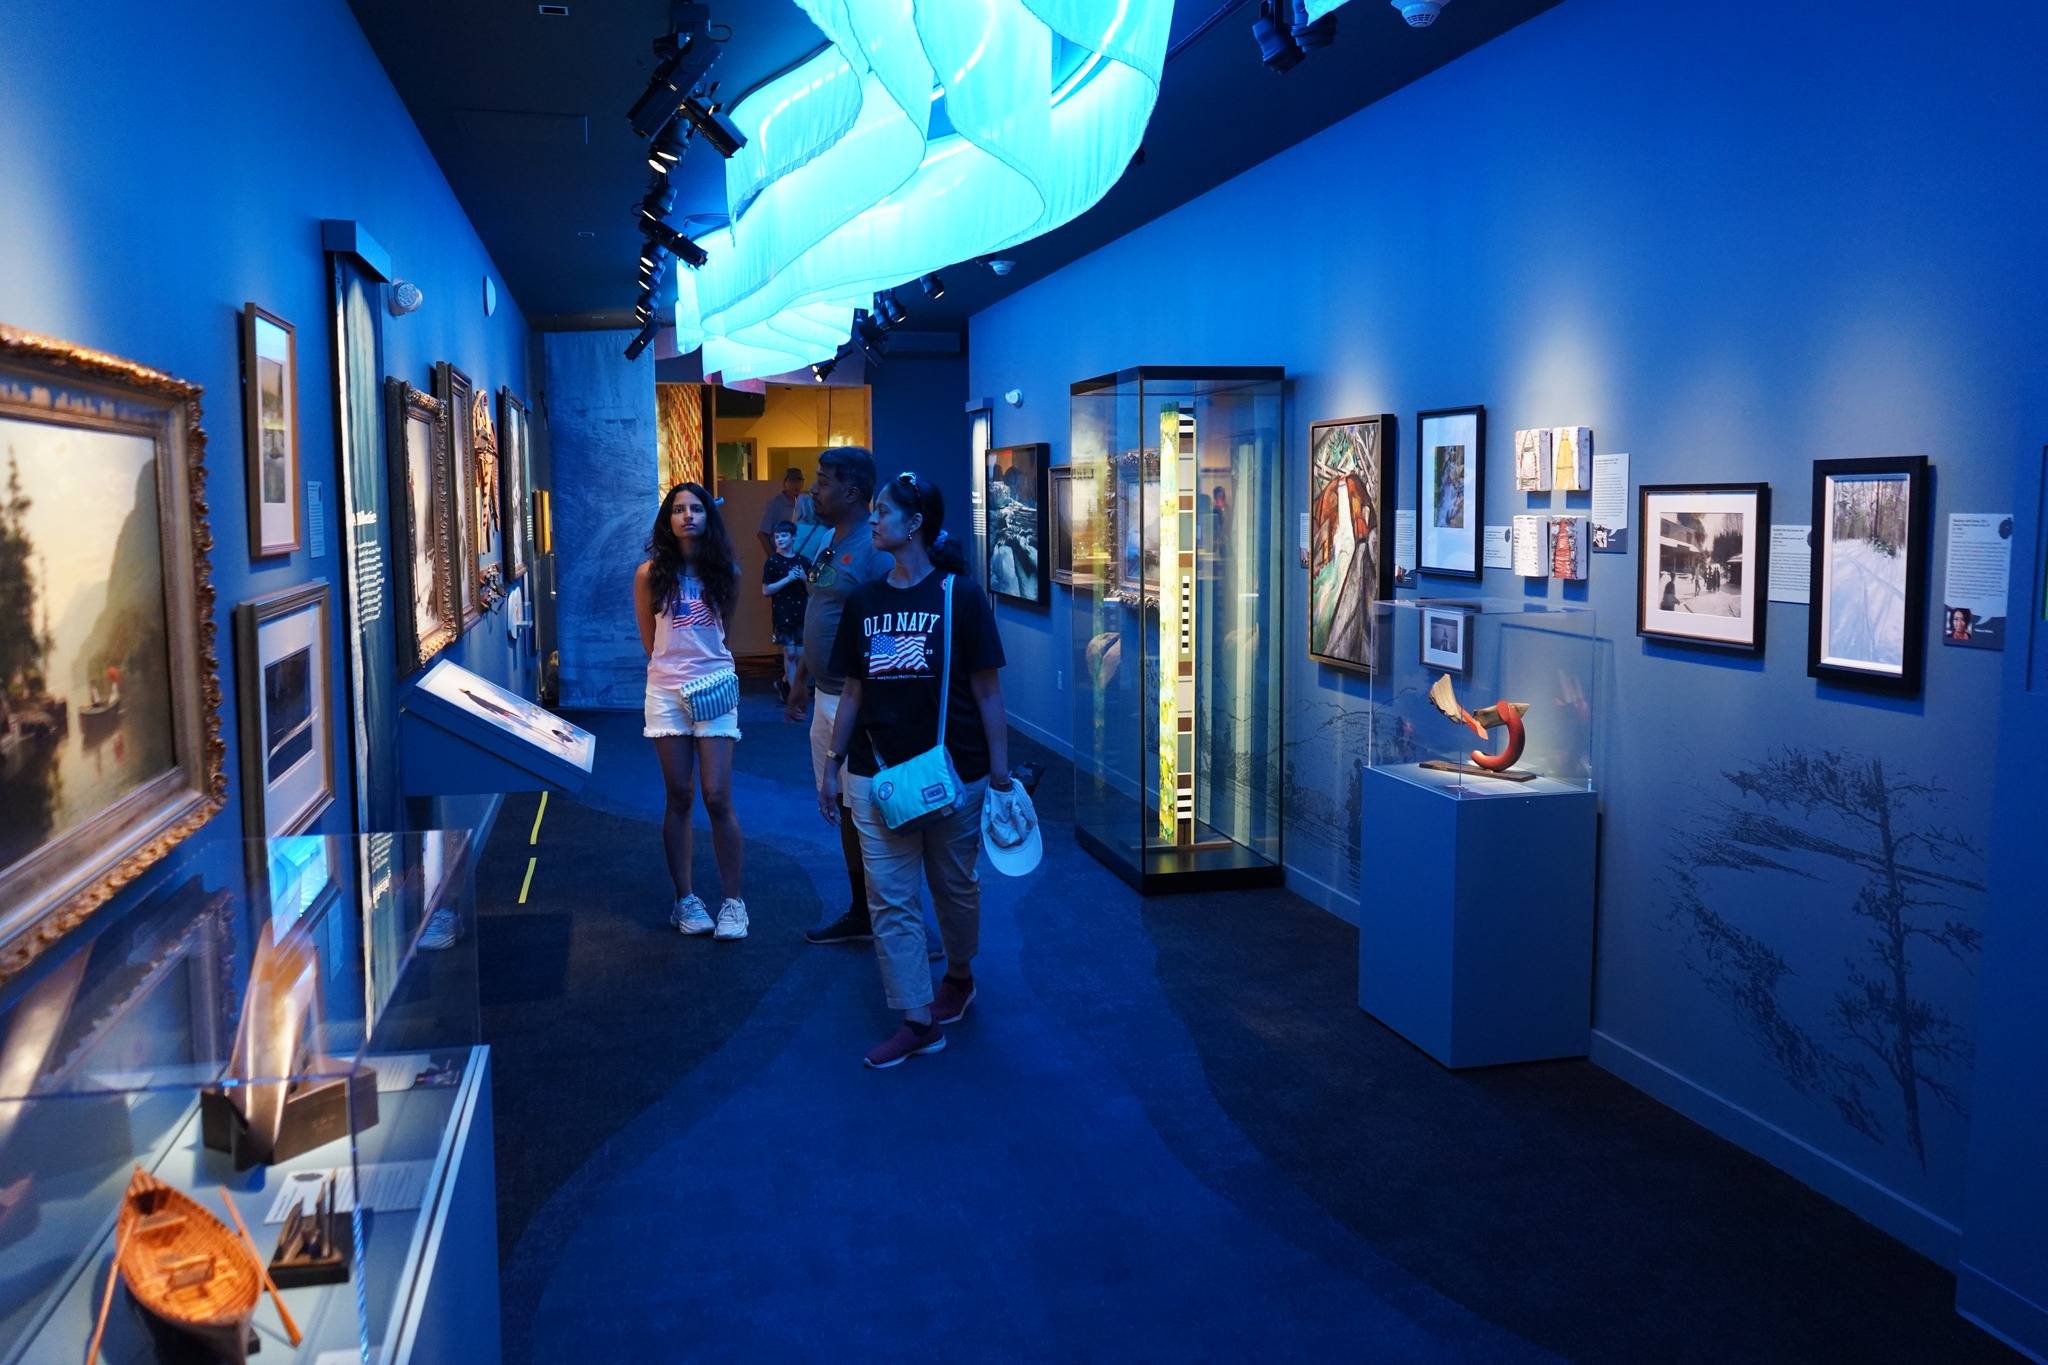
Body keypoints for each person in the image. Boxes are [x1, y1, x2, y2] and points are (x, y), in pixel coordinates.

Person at [820, 472, 1025, 1069]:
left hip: (955, 775)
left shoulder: (960, 597)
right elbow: (852, 692)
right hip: (876, 775)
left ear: (915, 525)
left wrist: (1002, 776)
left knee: (955, 889)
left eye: (883, 511)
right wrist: (832, 765)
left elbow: (988, 692)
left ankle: (958, 979)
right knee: (890, 900)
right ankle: (916, 1019)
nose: (874, 519)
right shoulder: (864, 601)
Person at [787, 446, 894, 945]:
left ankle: (898, 919)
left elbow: (889, 632)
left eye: (823, 481)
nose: (815, 488)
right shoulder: (831, 541)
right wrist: (800, 678)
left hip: (860, 705)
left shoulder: (875, 552)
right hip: (825, 697)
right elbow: (822, 614)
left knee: (873, 815)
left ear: (852, 491)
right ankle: (863, 913)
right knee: (847, 811)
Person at [635, 482, 748, 941]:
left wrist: (704, 665)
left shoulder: (727, 572)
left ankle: (733, 902)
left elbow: (725, 633)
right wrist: (674, 671)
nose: (687, 516)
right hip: (665, 692)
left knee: (717, 795)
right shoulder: (649, 574)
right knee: (679, 795)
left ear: (707, 517)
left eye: (695, 508)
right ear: (668, 519)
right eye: (678, 509)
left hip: (716, 686)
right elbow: (650, 641)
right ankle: (685, 899)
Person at [761, 519, 808, 703]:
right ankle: (793, 694)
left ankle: (784, 683)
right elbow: (765, 590)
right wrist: (788, 579)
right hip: (782, 612)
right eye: (776, 536)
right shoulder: (772, 562)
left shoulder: (803, 561)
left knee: (802, 655)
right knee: (790, 653)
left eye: (783, 536)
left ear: (793, 537)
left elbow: (813, 588)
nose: (779, 539)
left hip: (802, 611)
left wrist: (803, 577)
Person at [757, 467, 806, 559]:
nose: (796, 485)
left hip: (801, 557)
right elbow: (762, 534)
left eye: (799, 481)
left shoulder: (805, 504)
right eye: (792, 481)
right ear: (785, 483)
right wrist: (773, 556)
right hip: (782, 556)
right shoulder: (775, 504)